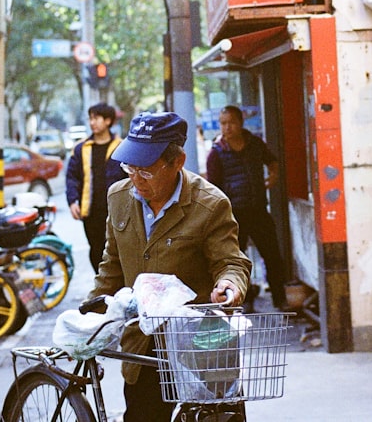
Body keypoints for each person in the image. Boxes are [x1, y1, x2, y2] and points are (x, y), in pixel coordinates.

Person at [87, 111, 251, 422]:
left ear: (177, 162)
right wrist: (89, 318)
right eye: (130, 167)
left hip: (200, 342)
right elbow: (112, 264)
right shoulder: (119, 197)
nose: (135, 179)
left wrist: (229, 285)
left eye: (146, 171)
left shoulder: (210, 203)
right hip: (144, 342)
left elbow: (230, 260)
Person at [205, 105, 288, 310]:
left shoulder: (254, 144)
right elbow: (212, 188)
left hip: (258, 210)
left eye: (231, 122)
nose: (227, 127)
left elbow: (272, 161)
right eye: (223, 123)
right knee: (237, 260)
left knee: (272, 255)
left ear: (241, 122)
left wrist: (273, 177)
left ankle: (280, 299)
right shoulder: (216, 152)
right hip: (233, 216)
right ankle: (245, 300)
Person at [65, 103, 127, 272]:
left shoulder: (122, 147)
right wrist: (72, 201)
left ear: (108, 121)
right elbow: (72, 177)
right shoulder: (81, 148)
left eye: (96, 118)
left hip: (116, 210)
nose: (92, 122)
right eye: (90, 118)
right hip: (91, 211)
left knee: (118, 249)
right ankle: (102, 285)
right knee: (96, 249)